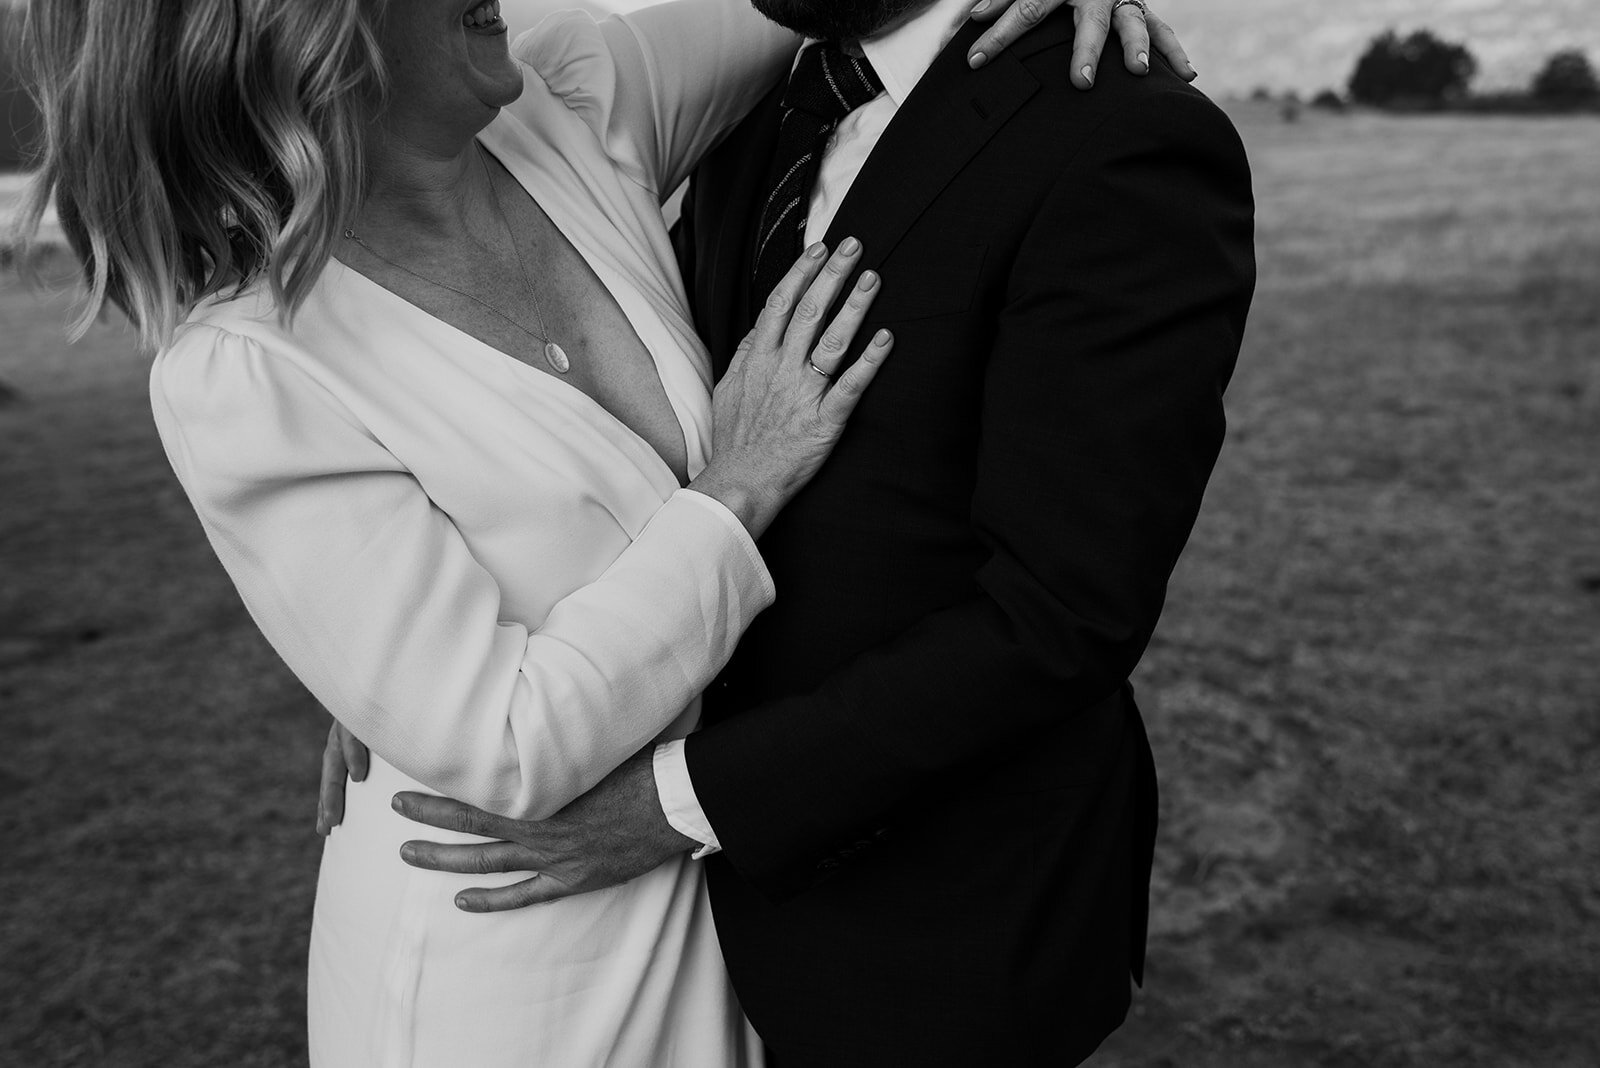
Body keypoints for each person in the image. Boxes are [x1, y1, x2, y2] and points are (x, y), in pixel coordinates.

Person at [19, 0, 1178, 1063]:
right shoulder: (248, 367)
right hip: (518, 933)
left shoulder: (562, 101)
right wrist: (734, 487)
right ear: (304, 29)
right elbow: (506, 743)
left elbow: (834, 0)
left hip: (721, 887)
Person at [358, 0, 1256, 1064]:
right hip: (679, 946)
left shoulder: (1119, 138)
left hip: (931, 926)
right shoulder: (762, 109)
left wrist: (678, 803)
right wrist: (392, 643)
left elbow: (1059, 614)